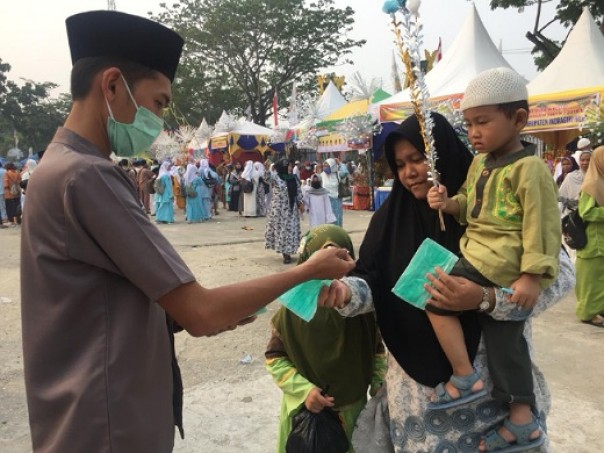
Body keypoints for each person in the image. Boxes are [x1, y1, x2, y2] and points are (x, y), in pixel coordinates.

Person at [19, 10, 354, 453]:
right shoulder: (86, 176)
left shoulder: (59, 168)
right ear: (113, 85)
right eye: (157, 103)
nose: (157, 120)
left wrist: (177, 315)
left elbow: (102, 298)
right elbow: (202, 311)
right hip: (106, 425)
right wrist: (308, 271)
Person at [316, 111, 574, 453]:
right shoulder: (388, 221)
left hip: (495, 393)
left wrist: (485, 298)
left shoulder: (493, 202)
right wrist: (345, 292)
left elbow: (561, 275)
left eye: (419, 159)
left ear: (444, 154)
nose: (409, 172)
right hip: (420, 401)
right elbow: (373, 282)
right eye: (400, 164)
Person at [427, 68, 560, 451]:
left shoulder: (531, 169)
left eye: (482, 122)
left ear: (518, 119)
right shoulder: (479, 164)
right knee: (506, 340)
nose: (473, 133)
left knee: (432, 291)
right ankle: (522, 420)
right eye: (468, 124)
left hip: (495, 261)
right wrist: (449, 203)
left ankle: (464, 376)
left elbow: (542, 224)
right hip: (480, 255)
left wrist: (532, 275)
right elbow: (470, 205)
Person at [266, 225, 387, 452]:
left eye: (341, 258)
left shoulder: (362, 308)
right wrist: (305, 391)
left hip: (353, 410)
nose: (332, 272)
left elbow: (377, 351)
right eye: (322, 262)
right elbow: (275, 358)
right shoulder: (293, 311)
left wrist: (379, 384)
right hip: (305, 412)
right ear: (307, 263)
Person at [575, 145, 604, 327]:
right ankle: (587, 313)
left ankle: (599, 309)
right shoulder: (591, 185)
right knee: (591, 280)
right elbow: (586, 212)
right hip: (593, 242)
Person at [265, 159, 303, 264]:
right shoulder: (276, 177)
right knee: (282, 231)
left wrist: (300, 202)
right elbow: (266, 179)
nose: (290, 168)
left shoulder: (293, 178)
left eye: (291, 166)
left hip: (291, 209)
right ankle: (285, 254)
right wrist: (267, 169)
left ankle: (290, 250)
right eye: (288, 166)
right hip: (279, 210)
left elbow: (298, 191)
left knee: (291, 230)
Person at [559, 150, 591, 217]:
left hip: (592, 218)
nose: (585, 162)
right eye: (582, 160)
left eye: (588, 160)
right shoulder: (571, 176)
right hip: (572, 217)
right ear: (579, 161)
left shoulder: (597, 177)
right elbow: (561, 196)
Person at [321, 158, 345, 227]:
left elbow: (345, 172)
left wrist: (339, 163)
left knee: (337, 217)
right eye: (324, 166)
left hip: (336, 199)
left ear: (332, 166)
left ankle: (338, 232)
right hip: (326, 199)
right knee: (328, 217)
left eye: (327, 166)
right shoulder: (322, 175)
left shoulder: (337, 174)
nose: (325, 168)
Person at [3, 162, 22, 226]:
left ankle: (12, 221)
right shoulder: (17, 173)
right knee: (17, 206)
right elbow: (20, 181)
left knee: (10, 207)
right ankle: (18, 219)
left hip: (9, 193)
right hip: (17, 192)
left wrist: (7, 187)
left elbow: (6, 184)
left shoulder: (7, 173)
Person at [0, 162, 7, 227]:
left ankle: (4, 218)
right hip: (6, 190)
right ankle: (6, 217)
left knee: (1, 205)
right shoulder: (5, 171)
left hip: (0, 191)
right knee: (6, 204)